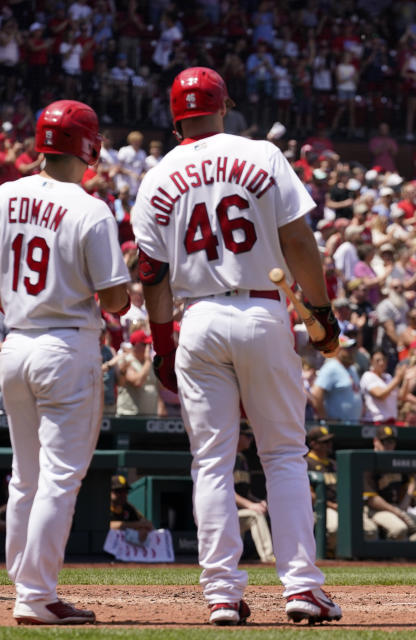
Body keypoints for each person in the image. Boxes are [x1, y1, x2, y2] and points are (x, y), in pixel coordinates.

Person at [131, 67, 341, 625]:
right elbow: (297, 238)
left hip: (195, 317)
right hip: (260, 307)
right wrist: (320, 310)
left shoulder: (157, 176)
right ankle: (301, 588)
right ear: (224, 106)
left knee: (211, 463)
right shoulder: (261, 154)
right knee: (283, 455)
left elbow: (151, 274)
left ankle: (221, 593)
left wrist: (162, 344)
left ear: (175, 116)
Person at [0, 99, 131, 625]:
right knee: (59, 478)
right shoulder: (89, 207)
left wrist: (19, 305)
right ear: (89, 147)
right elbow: (113, 300)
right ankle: (35, 595)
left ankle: (23, 583)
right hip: (65, 345)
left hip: (15, 344)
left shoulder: (2, 195)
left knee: (26, 477)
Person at [304, 425, 378, 553]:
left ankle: (356, 560)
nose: (329, 444)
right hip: (321, 507)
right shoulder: (306, 463)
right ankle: (329, 557)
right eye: (324, 442)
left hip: (341, 507)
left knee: (370, 530)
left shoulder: (334, 464)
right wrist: (331, 505)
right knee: (334, 529)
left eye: (330, 441)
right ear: (313, 444)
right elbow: (310, 496)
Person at [362, 425, 416, 541]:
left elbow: (411, 483)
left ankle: (406, 556)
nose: (388, 446)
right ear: (375, 441)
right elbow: (372, 500)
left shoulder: (396, 460)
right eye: (384, 442)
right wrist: (397, 512)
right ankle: (392, 558)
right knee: (399, 529)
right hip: (376, 510)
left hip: (397, 507)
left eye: (391, 442)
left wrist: (404, 504)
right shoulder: (367, 462)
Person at [234, 424, 275, 563]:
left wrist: (257, 502)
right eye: (248, 436)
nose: (251, 439)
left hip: (238, 512)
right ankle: (268, 558)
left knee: (263, 510)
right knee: (255, 515)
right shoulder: (225, 458)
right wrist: (251, 505)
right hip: (224, 512)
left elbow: (245, 491)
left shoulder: (242, 459)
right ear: (237, 435)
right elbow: (225, 491)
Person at [311, 335, 363, 422]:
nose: (352, 351)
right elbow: (316, 394)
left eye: (353, 348)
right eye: (348, 349)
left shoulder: (353, 369)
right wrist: (325, 418)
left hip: (353, 426)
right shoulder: (331, 367)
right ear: (338, 350)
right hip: (337, 428)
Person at [109, 474, 155, 542]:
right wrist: (135, 525)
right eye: (119, 491)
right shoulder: (102, 507)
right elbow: (109, 526)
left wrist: (142, 529)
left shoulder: (128, 507)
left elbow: (146, 523)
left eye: (125, 491)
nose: (123, 495)